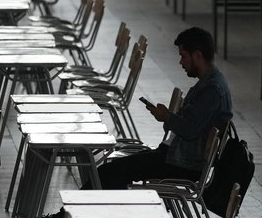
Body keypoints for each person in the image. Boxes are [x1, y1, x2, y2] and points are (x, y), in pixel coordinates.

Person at [91, 26, 232, 189]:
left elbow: (189, 130)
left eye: (183, 56)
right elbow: (191, 122)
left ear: (198, 55)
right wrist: (168, 116)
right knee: (111, 171)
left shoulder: (213, 90)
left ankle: (74, 206)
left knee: (109, 172)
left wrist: (167, 116)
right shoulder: (210, 82)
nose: (180, 62)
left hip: (184, 164)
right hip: (177, 155)